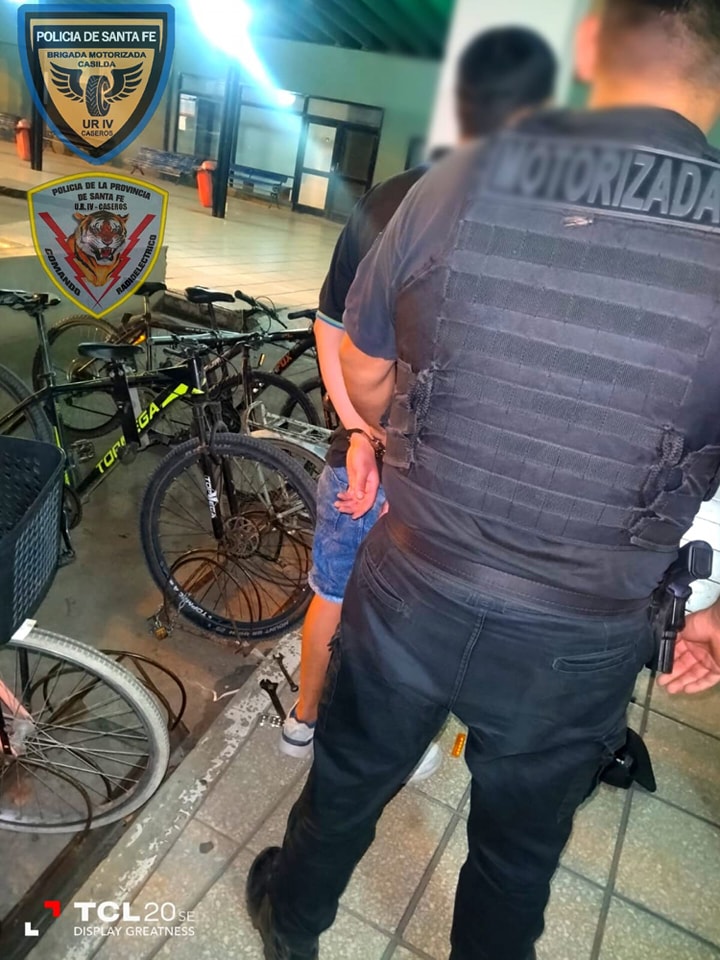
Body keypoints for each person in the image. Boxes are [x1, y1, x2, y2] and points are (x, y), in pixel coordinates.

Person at [248, 2, 720, 959]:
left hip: (414, 583)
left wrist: (393, 433)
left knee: (346, 783)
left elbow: (365, 371)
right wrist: (710, 607)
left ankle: (291, 927)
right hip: (584, 632)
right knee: (516, 858)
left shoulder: (467, 178)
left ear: (590, 39)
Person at [279, 27, 558, 780]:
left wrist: (357, 432)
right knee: (410, 614)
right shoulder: (538, 222)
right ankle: (386, 743)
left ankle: (303, 720)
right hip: (445, 475)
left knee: (333, 589)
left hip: (363, 452)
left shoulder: (394, 198)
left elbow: (330, 325)